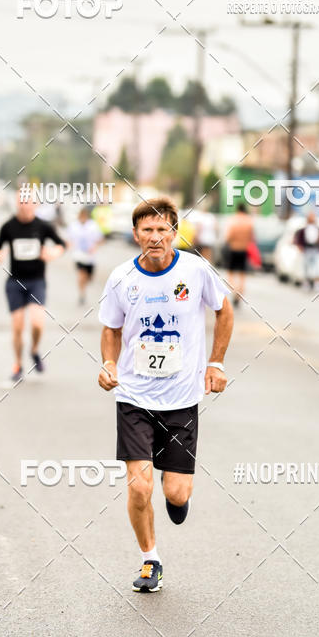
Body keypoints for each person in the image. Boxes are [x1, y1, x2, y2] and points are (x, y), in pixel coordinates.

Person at [98, 197, 234, 592]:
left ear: (175, 232)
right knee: (140, 486)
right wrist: (109, 363)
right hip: (134, 397)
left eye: (162, 229)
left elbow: (224, 311)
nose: (155, 237)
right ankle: (150, 560)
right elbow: (111, 329)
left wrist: (216, 362)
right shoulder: (122, 277)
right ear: (136, 234)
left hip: (182, 399)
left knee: (175, 492)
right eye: (147, 230)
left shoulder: (195, 270)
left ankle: (176, 498)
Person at [0, 194, 66, 382]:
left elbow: (62, 244)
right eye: (21, 202)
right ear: (17, 203)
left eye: (29, 203)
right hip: (15, 282)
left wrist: (53, 253)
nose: (25, 206)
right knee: (17, 327)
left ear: (36, 205)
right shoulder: (8, 226)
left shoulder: (43, 226)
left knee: (37, 323)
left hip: (36, 281)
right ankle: (18, 364)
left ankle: (34, 349)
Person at [67, 206, 104, 305]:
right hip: (78, 255)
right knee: (81, 275)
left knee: (89, 278)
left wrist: (95, 247)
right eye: (81, 216)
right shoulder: (73, 226)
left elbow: (100, 239)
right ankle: (82, 294)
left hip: (90, 257)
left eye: (84, 216)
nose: (82, 218)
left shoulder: (93, 226)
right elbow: (69, 239)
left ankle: (86, 282)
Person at [225, 203, 254, 306]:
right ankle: (239, 293)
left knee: (231, 273)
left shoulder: (233, 220)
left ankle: (234, 291)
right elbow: (251, 238)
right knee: (242, 274)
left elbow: (228, 236)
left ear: (237, 210)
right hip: (244, 250)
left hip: (233, 249)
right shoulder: (249, 221)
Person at [294, 211, 319, 291]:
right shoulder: (303, 230)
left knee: (317, 267)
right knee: (306, 267)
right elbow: (299, 239)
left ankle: (317, 284)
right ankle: (306, 283)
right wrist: (300, 247)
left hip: (315, 249)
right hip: (307, 249)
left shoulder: (318, 229)